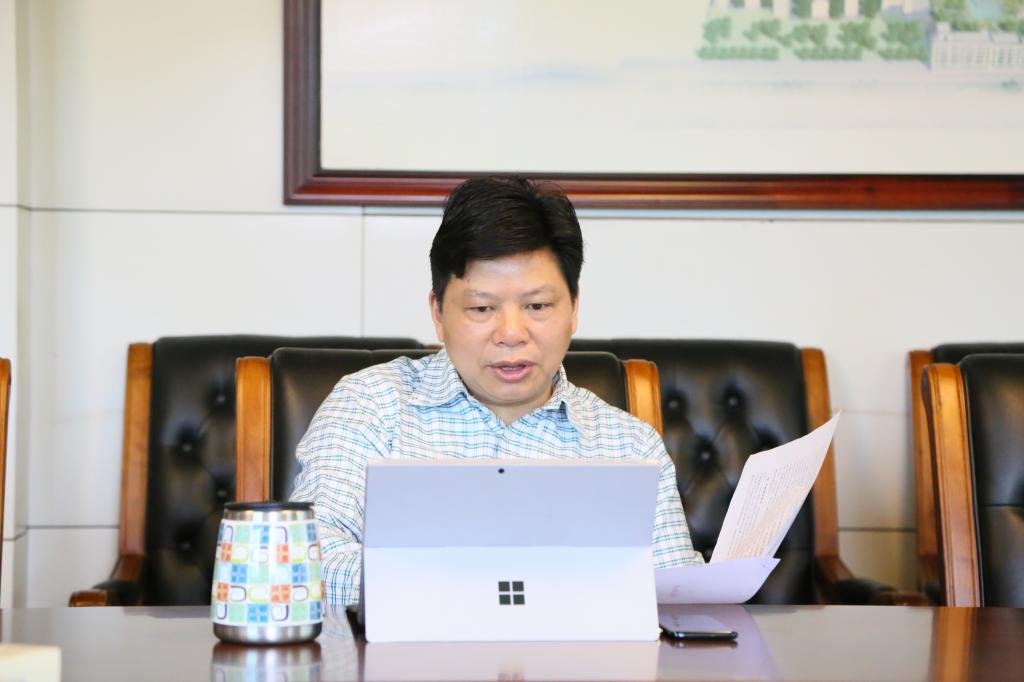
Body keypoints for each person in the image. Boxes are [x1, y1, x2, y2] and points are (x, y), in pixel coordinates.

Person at [290, 176, 703, 605]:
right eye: (482, 308)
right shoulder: (370, 405)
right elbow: (309, 559)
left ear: (574, 308)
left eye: (537, 306)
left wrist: (425, 578)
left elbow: (680, 599)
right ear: (438, 312)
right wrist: (486, 584)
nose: (511, 333)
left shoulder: (628, 445)